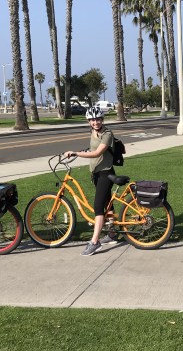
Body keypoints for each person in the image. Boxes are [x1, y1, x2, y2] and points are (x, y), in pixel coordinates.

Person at [63, 106, 118, 256]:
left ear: (102, 119)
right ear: (89, 121)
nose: (96, 122)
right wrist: (82, 152)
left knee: (98, 207)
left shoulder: (107, 134)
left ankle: (95, 242)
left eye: (98, 119)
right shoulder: (93, 131)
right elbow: (92, 148)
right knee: (108, 204)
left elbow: (97, 153)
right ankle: (112, 234)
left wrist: (76, 153)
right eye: (93, 120)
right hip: (96, 173)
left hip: (105, 174)